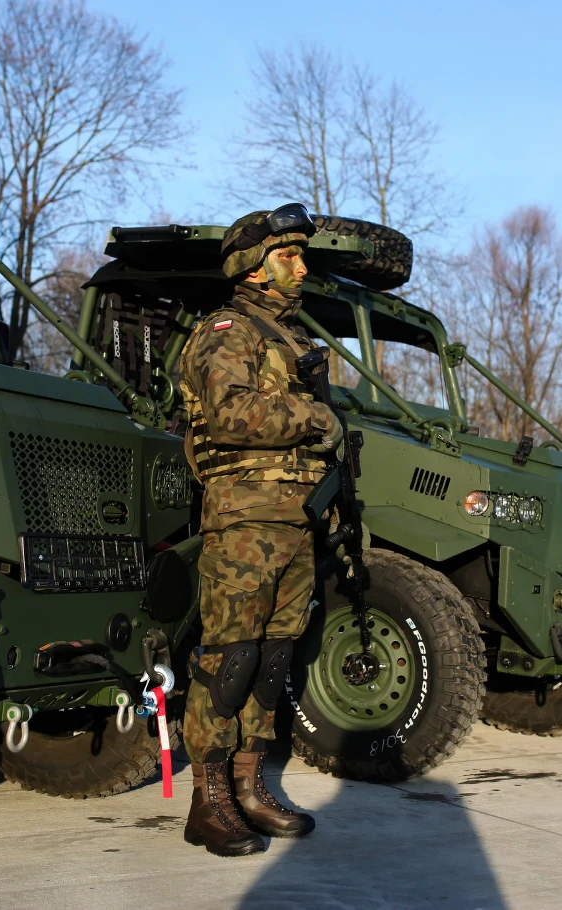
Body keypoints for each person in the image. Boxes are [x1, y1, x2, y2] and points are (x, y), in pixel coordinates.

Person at [177, 204, 338, 855]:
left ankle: (248, 785)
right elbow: (227, 413)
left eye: (301, 255)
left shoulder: (291, 338)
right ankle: (207, 800)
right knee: (230, 657)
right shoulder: (228, 330)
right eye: (288, 255)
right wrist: (315, 418)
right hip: (245, 518)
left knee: (273, 660)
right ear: (253, 265)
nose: (301, 266)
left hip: (295, 520)